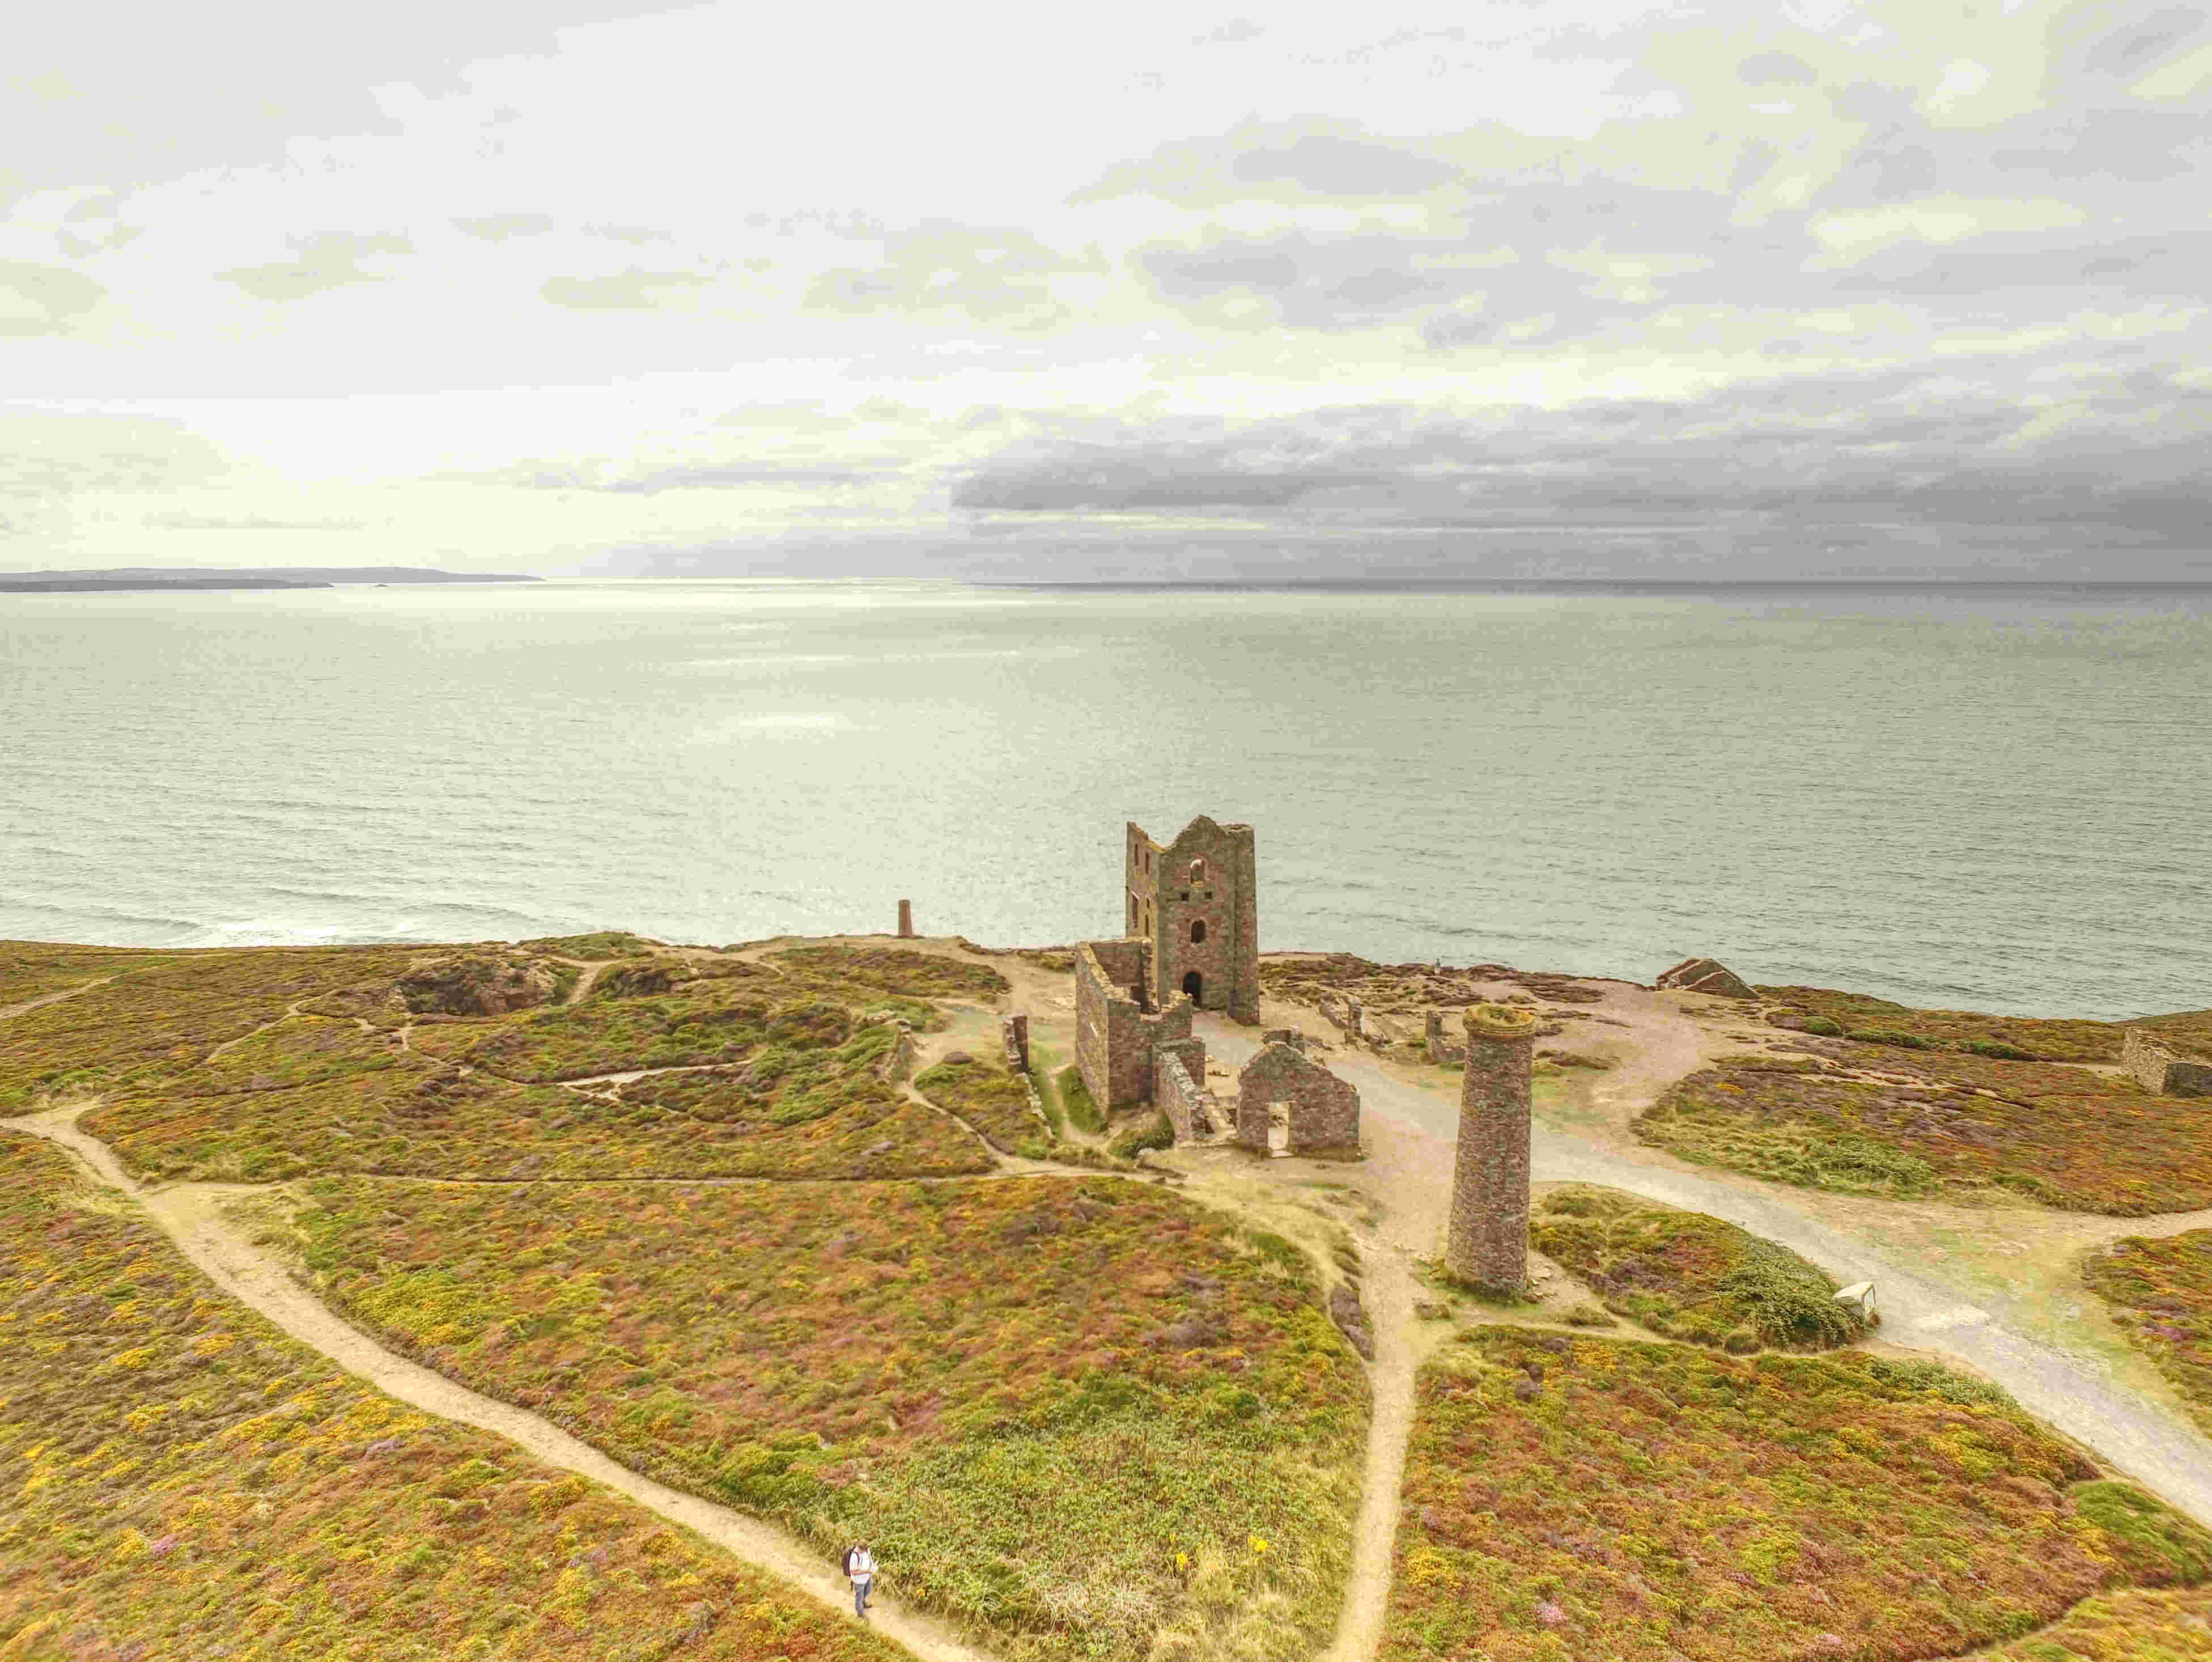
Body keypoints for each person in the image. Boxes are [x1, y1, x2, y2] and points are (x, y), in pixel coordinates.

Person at [848, 1541, 875, 1618]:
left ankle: (863, 1602)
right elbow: (854, 1572)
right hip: (859, 1581)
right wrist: (866, 1571)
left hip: (868, 1576)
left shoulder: (867, 1550)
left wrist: (872, 1566)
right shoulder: (854, 1556)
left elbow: (869, 1558)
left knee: (868, 1590)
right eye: (862, 1551)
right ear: (860, 1548)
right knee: (859, 1598)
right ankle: (860, 1614)